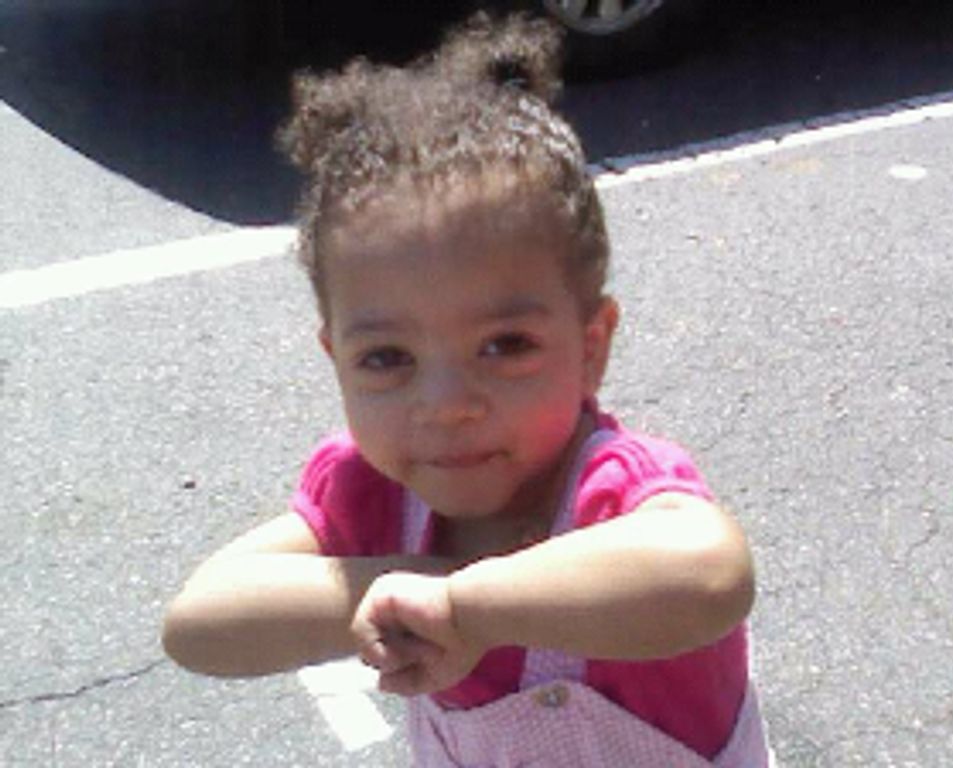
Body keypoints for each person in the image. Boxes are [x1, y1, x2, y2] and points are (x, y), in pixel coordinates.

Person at [162, 13, 772, 767]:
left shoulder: (613, 495)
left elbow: (710, 574)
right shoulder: (375, 497)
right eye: (386, 358)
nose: (446, 404)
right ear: (335, 358)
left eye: (505, 346)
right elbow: (197, 620)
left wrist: (469, 607)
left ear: (591, 347)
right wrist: (397, 585)